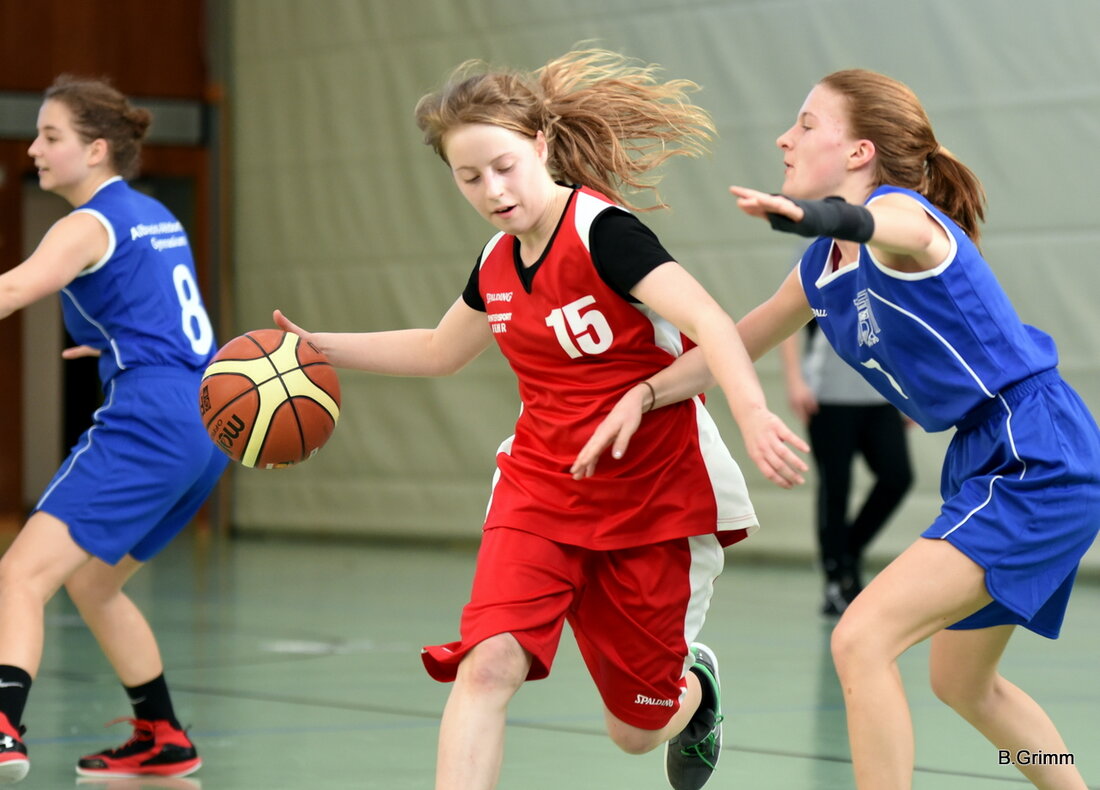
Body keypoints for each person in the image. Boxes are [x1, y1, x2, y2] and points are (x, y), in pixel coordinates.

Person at [273, 48, 807, 790]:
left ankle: (696, 691)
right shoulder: (496, 260)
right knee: (487, 663)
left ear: (541, 146)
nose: (492, 190)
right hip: (541, 490)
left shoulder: (603, 232)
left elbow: (711, 321)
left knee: (636, 730)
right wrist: (318, 349)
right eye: (469, 177)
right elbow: (438, 350)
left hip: (652, 495)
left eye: (504, 167)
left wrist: (751, 413)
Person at [582, 67, 1099, 789]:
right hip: (987, 455)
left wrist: (820, 216)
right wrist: (643, 393)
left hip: (1034, 449)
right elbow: (731, 345)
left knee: (861, 638)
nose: (784, 138)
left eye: (805, 125)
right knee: (962, 683)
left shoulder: (903, 220)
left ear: (860, 153)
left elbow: (886, 225)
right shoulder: (820, 269)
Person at [0, 76, 228, 784]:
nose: (34, 149)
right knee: (94, 584)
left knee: (19, 575)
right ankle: (163, 735)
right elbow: (161, 312)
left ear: (96, 149)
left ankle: (3, 727)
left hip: (149, 419)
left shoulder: (85, 224)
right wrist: (112, 344)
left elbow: (12, 289)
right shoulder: (154, 214)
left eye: (51, 136)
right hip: (208, 418)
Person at [779, 319, 913, 615]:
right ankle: (835, 579)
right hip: (828, 396)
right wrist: (795, 380)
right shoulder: (816, 283)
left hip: (882, 394)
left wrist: (911, 389)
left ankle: (847, 554)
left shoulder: (891, 282)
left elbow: (903, 325)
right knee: (836, 486)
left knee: (897, 477)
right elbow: (786, 323)